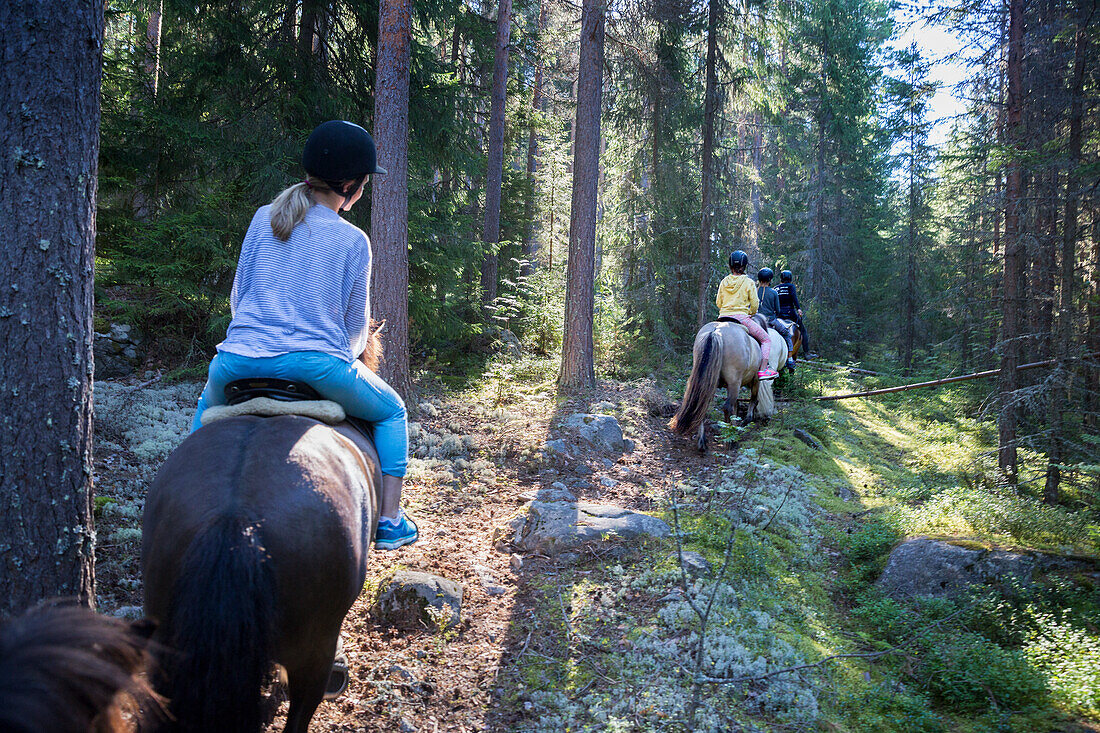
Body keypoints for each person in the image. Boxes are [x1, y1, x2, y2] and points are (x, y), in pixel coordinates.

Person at [190, 120, 417, 551]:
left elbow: (239, 299)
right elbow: (354, 332)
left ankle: (189, 495)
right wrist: (338, 357)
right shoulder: (354, 240)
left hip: (234, 361)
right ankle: (389, 520)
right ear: (350, 186)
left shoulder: (263, 219)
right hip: (314, 365)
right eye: (365, 182)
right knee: (393, 412)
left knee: (201, 424)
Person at [715, 250, 779, 380]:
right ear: (744, 266)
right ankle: (763, 370)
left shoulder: (723, 282)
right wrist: (750, 313)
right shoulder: (749, 282)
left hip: (722, 318)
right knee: (766, 339)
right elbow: (754, 304)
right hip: (741, 318)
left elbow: (718, 303)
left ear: (730, 265)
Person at [756, 268, 796, 371]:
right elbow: (777, 310)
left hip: (756, 320)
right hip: (771, 320)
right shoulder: (773, 292)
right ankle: (790, 359)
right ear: (770, 279)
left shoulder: (754, 291)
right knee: (786, 334)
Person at [776, 269, 810, 355]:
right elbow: (794, 297)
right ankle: (807, 353)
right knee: (803, 330)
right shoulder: (791, 286)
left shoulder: (776, 288)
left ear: (781, 278)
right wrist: (798, 308)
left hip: (778, 313)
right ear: (790, 278)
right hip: (790, 312)